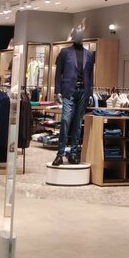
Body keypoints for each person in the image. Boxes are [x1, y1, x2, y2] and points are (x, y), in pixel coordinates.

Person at [52, 21, 94, 166]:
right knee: (65, 120)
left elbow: (91, 75)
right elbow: (58, 73)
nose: (79, 36)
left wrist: (90, 93)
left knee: (77, 123)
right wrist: (57, 91)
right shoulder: (65, 52)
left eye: (82, 34)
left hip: (83, 91)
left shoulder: (89, 54)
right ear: (74, 36)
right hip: (69, 90)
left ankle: (74, 153)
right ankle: (60, 154)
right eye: (77, 34)